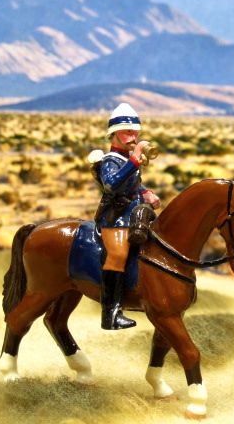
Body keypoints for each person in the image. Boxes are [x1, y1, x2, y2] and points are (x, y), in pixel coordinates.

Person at [94, 103, 161, 330]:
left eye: (135, 132)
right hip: (114, 217)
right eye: (127, 131)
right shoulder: (110, 160)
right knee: (118, 254)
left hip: (133, 214)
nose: (133, 136)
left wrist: (146, 193)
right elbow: (111, 185)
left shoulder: (128, 160)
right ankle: (110, 313)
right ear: (115, 134)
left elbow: (133, 186)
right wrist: (135, 159)